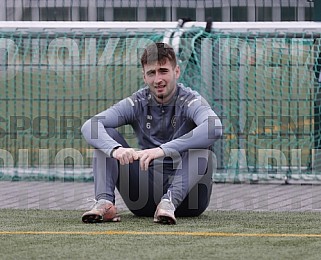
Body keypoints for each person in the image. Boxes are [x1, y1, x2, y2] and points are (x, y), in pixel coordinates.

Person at [81, 42, 222, 224]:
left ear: (176, 72)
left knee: (203, 150)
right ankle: (105, 203)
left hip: (189, 201)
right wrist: (115, 149)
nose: (158, 80)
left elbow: (214, 127)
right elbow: (90, 125)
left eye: (163, 71)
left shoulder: (190, 100)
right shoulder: (137, 101)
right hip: (142, 200)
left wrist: (162, 150)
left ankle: (168, 203)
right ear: (144, 76)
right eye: (151, 73)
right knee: (105, 139)